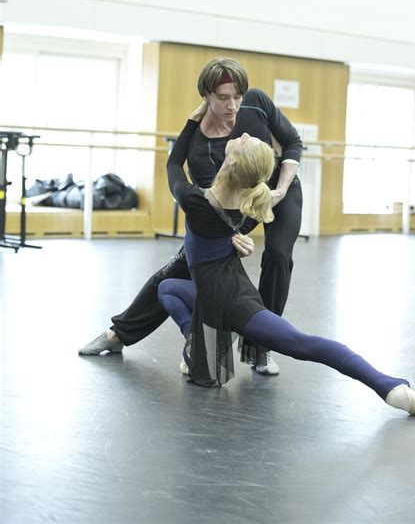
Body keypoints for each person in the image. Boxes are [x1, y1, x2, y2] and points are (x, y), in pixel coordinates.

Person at [156, 101, 415, 418]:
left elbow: (173, 164)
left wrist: (192, 123)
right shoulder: (243, 205)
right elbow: (221, 225)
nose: (246, 133)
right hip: (223, 293)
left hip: (233, 302)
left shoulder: (196, 201)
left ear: (231, 162)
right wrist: (231, 243)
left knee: (301, 343)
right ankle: (197, 339)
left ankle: (391, 388)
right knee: (167, 287)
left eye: (248, 141)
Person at [79, 58, 303, 375]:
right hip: (236, 211)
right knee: (183, 265)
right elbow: (218, 208)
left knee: (279, 255)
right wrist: (235, 236)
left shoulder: (257, 103)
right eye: (223, 98)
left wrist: (279, 189)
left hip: (282, 190)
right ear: (207, 96)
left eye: (237, 96)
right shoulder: (201, 148)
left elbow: (292, 141)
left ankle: (261, 348)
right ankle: (119, 334)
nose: (233, 105)